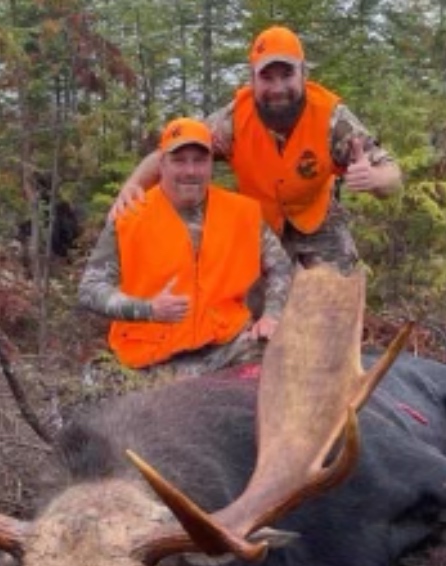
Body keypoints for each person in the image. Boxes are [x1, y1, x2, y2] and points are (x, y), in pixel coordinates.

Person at [110, 26, 401, 271]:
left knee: (337, 298)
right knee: (245, 305)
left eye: (286, 75)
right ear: (252, 79)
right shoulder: (233, 121)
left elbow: (392, 174)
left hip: (316, 219)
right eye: (266, 77)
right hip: (259, 224)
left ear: (303, 74)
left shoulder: (331, 119)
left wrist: (375, 178)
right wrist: (133, 186)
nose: (277, 88)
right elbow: (171, 154)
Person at [79, 117, 292, 375]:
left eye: (199, 160)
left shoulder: (243, 213)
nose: (190, 171)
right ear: (161, 164)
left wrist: (272, 315)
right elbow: (90, 289)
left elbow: (281, 266)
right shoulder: (129, 218)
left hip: (229, 348)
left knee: (289, 366)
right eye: (179, 160)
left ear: (211, 163)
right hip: (152, 359)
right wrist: (148, 309)